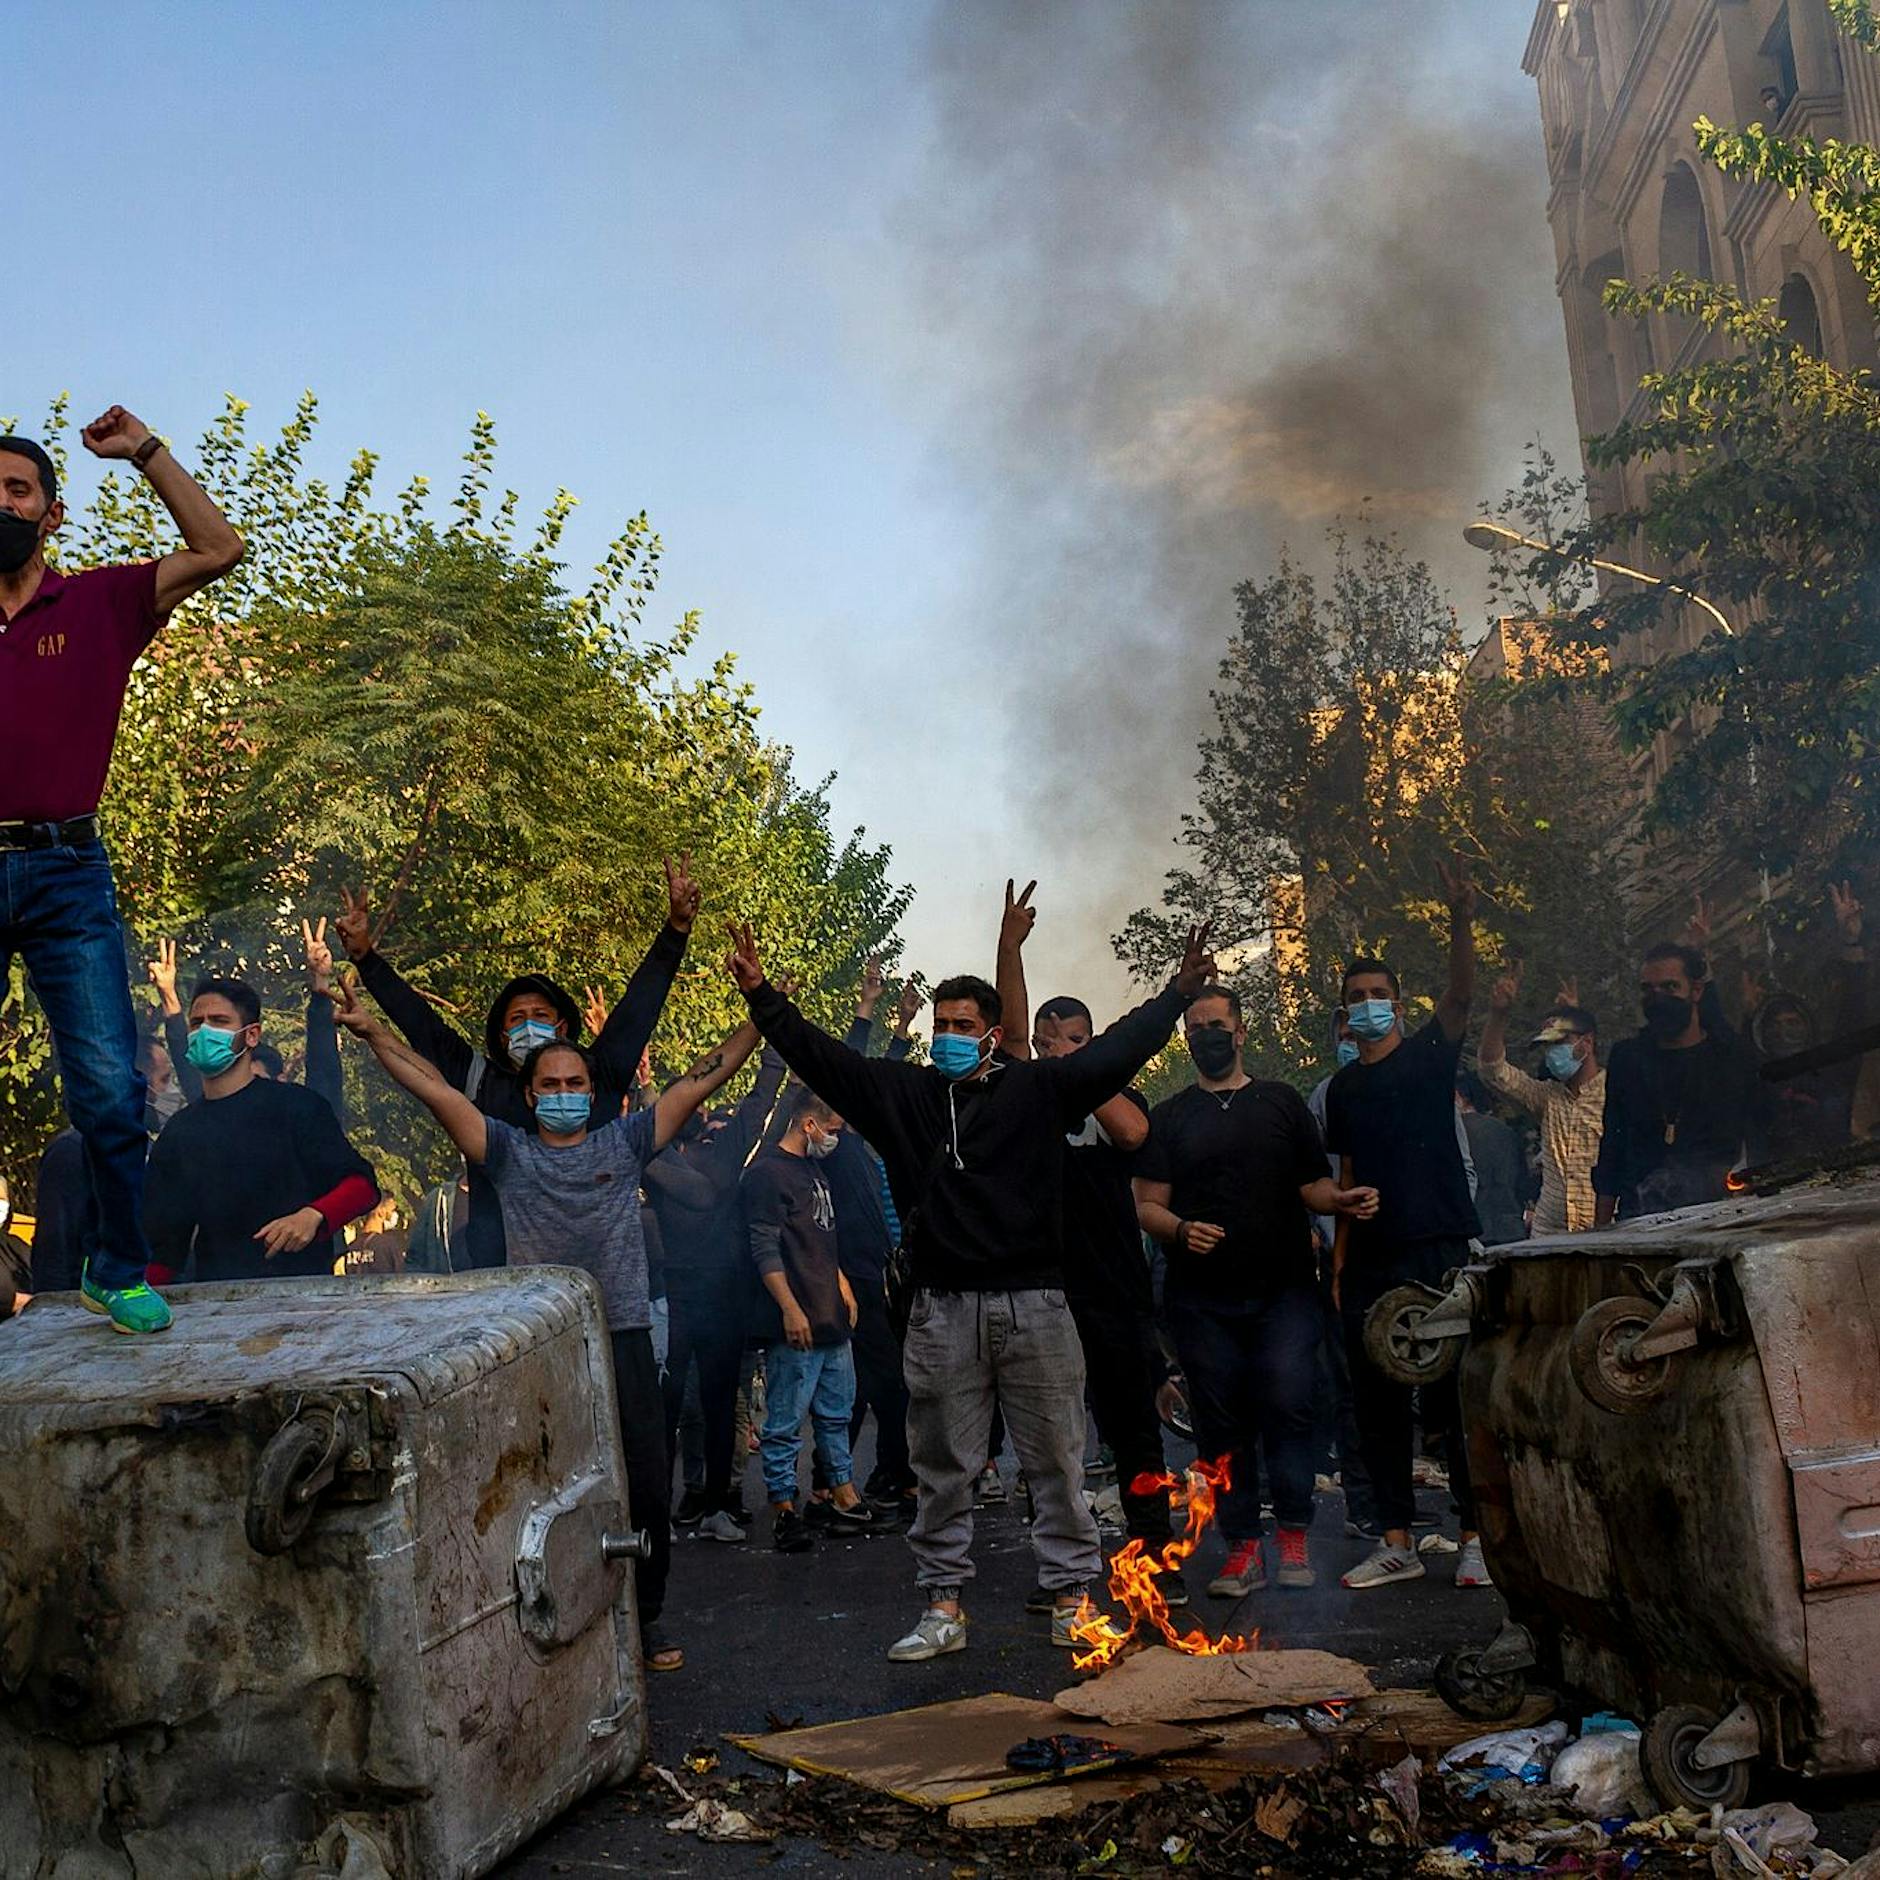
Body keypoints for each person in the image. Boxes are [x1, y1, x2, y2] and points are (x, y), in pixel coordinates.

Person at [726, 908, 1218, 1662]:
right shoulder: (909, 1097)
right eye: (941, 1025)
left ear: (992, 1034)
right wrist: (764, 997)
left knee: (1055, 1458)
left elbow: (1116, 1052)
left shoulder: (1039, 1091)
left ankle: (1071, 1600)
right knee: (945, 1466)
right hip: (941, 1310)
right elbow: (825, 1060)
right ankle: (943, 1605)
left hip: (1038, 1307)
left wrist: (1177, 995)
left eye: (964, 1024)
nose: (948, 1036)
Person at [331, 974, 762, 1675]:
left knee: (648, 1487)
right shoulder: (506, 1150)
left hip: (620, 1335)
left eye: (574, 1082)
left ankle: (644, 1618)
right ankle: (546, 1618)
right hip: (542, 1343)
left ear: (592, 1093)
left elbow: (696, 1083)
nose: (563, 1092)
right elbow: (435, 1088)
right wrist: (376, 1033)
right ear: (530, 1095)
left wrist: (762, 1015)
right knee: (541, 1485)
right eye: (550, 1083)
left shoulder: (623, 1145)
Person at [0, 410, 245, 1332]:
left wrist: (146, 450)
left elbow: (219, 546)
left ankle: (112, 1265)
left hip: (66, 870)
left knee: (107, 1081)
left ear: (51, 514)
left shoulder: (99, 603)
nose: (2, 505)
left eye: (17, 491)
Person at [333, 856, 701, 1269]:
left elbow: (639, 1008)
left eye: (541, 1017)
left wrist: (676, 930)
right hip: (504, 1277)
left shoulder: (596, 1075)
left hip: (597, 1274)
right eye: (517, 1019)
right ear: (503, 1036)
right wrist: (366, 957)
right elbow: (422, 1024)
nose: (530, 1026)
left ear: (563, 1028)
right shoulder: (477, 1080)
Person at [1134, 983, 1378, 1601]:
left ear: (1240, 1032)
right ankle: (1242, 1548)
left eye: (1217, 1025)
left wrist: (1340, 1200)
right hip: (1201, 1300)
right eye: (1196, 1028)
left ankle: (1293, 1535)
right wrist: (1184, 1229)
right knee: (1221, 1423)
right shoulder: (1170, 1116)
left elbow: (1313, 1186)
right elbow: (1147, 1207)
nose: (1206, 1036)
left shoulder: (1280, 1102)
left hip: (1285, 1293)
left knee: (1290, 1404)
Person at [995, 881, 1184, 1601]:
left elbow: (1134, 1134)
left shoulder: (1115, 1101)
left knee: (1134, 1433)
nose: (1051, 1054)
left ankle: (1156, 1563)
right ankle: (1067, 1574)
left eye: (1068, 1042)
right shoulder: (1023, 1095)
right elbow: (1009, 1038)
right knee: (1051, 1443)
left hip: (1112, 1296)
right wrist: (1010, 947)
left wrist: (1086, 1070)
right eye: (1046, 1043)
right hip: (1042, 1293)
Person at [1326, 857, 1492, 1592]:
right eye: (1357, 997)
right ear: (1344, 1013)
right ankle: (1395, 1539)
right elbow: (1345, 1176)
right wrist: (1337, 1268)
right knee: (1378, 1407)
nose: (1369, 1005)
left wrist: (1459, 915)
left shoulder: (1429, 1058)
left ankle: (1476, 1538)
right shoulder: (1342, 1090)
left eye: (1379, 995)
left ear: (1398, 1003)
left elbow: (1462, 992)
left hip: (1439, 1249)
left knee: (1454, 1400)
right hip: (1369, 1263)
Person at [645, 1015, 790, 1542]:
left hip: (714, 1296)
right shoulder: (659, 1158)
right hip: (677, 1297)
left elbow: (758, 1100)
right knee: (670, 1405)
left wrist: (772, 1035)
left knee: (716, 1400)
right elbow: (757, 1098)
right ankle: (666, 1506)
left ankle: (712, 1507)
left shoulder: (716, 1154)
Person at [142, 978, 380, 1287]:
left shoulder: (297, 1107)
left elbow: (363, 1186)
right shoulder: (179, 1132)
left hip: (304, 1301)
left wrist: (313, 1216)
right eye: (196, 1023)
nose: (204, 1032)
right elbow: (163, 1249)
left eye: (219, 1021)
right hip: (216, 1303)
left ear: (251, 1035)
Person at [745, 1087, 871, 1552]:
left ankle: (842, 1495)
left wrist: (841, 1284)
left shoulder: (813, 1169)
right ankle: (782, 1508)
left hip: (831, 1317)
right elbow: (764, 1248)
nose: (835, 1137)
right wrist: (789, 1307)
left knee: (836, 1415)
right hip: (797, 1320)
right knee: (784, 1421)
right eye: (833, 1129)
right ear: (808, 1124)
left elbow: (820, 1236)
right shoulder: (765, 1175)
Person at [1592, 941, 1767, 1220]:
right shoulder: (1628, 1058)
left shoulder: (1729, 1056)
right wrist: (1600, 1228)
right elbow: (1613, 1143)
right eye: (1648, 990)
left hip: (1719, 1211)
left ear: (1696, 991)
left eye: (1670, 987)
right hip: (1641, 1214)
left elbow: (1758, 1132)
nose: (1657, 997)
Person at [1478, 967, 1606, 1233]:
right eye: (1548, 1047)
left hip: (1606, 1228)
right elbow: (1493, 1069)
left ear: (1587, 1042)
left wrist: (1573, 1016)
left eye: (1560, 1042)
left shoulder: (1616, 1092)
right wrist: (1499, 1015)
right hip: (1549, 1232)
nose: (1552, 1053)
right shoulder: (1547, 1097)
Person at [1455, 1072, 1529, 1247]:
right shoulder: (1505, 1131)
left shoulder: (1453, 1133)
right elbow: (1522, 1180)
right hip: (1510, 1227)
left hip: (1474, 1229)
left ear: (1458, 1096)